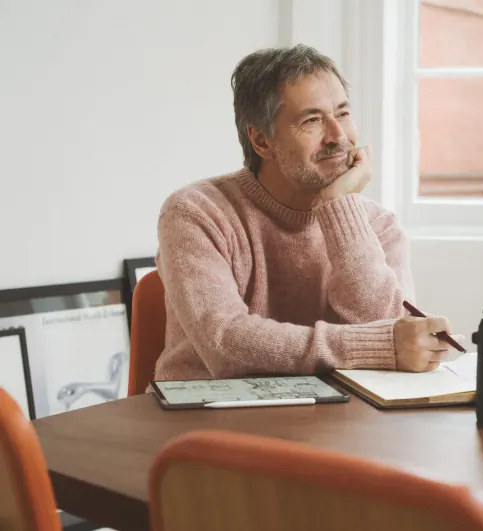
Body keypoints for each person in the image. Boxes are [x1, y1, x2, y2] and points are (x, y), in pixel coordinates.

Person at [153, 45, 461, 381]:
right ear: (261, 142)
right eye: (312, 120)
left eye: (342, 114)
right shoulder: (195, 213)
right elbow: (226, 345)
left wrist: (338, 207)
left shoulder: (379, 227)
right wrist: (378, 346)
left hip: (337, 424)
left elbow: (389, 330)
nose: (338, 136)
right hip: (206, 423)